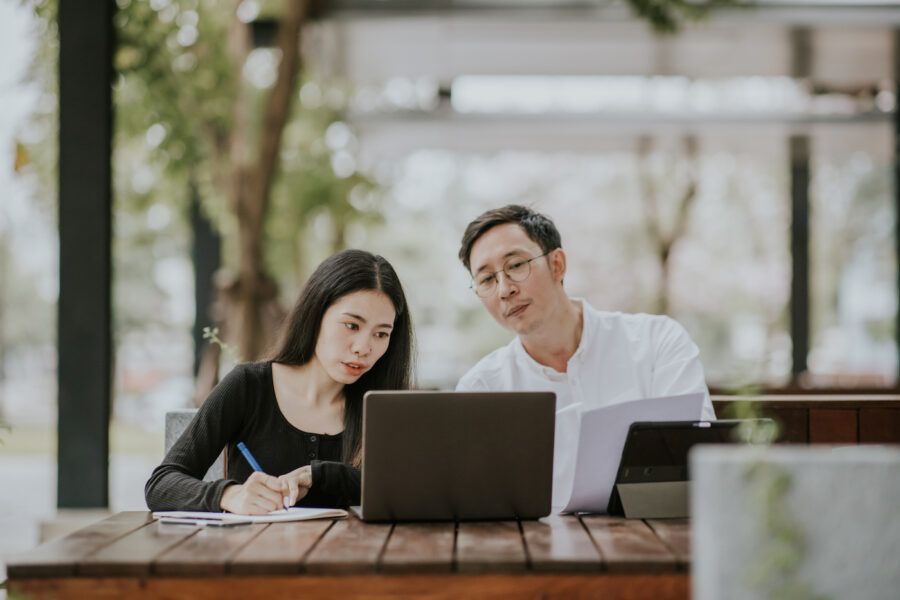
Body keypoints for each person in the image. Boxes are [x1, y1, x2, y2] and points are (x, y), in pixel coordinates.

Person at [455, 205, 715, 502]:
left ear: (557, 265)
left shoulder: (657, 342)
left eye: (515, 265)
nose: (504, 290)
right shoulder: (481, 388)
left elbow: (696, 455)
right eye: (487, 280)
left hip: (653, 533)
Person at [145, 249, 414, 514]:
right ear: (316, 314)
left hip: (355, 557)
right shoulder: (249, 387)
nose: (363, 347)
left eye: (381, 334)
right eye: (352, 326)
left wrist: (319, 476)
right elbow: (161, 484)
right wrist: (230, 495)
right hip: (253, 555)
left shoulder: (383, 406)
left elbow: (407, 489)